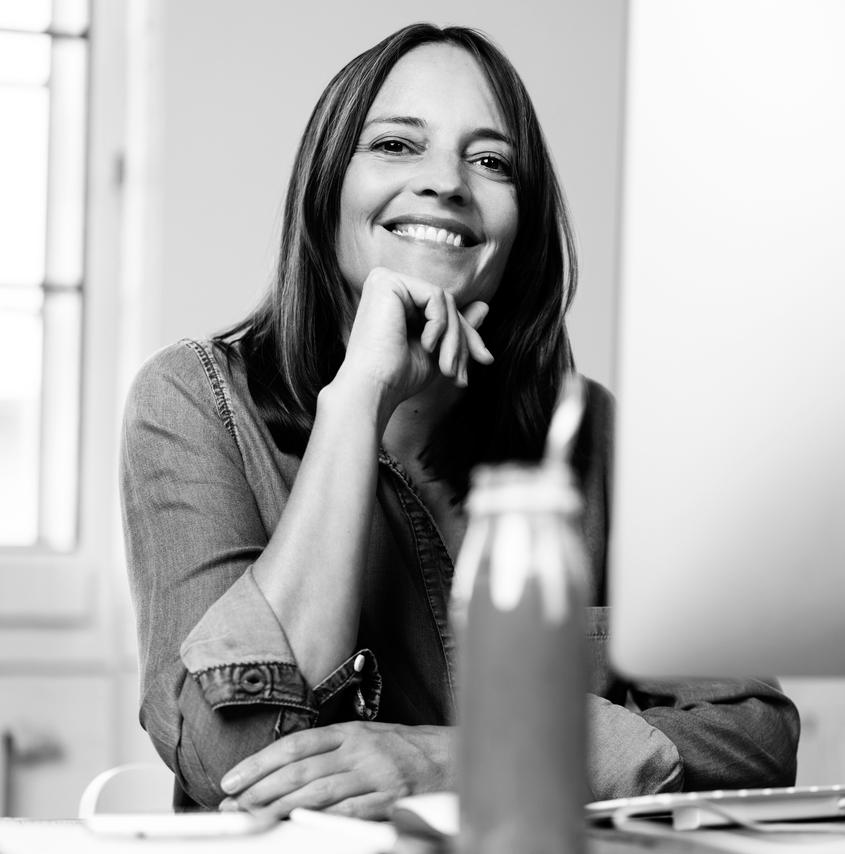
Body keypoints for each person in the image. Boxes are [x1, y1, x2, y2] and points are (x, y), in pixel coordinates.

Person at [120, 23, 799, 819]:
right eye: (398, 145)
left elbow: (755, 737)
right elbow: (233, 757)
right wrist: (358, 400)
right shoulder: (191, 402)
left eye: (490, 161)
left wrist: (463, 759)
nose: (446, 183)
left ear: (523, 226)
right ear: (328, 187)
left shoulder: (599, 439)